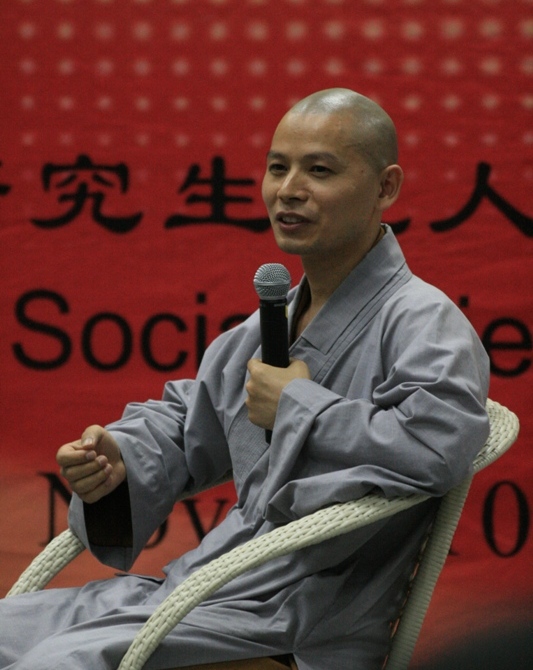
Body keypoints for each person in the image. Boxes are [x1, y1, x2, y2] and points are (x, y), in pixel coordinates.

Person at [0, 88, 490, 670]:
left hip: (300, 620)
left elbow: (439, 447)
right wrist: (117, 461)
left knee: (59, 663)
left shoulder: (424, 321)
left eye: (320, 170)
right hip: (209, 586)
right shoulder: (269, 325)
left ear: (386, 187)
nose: (289, 190)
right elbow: (188, 421)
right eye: (278, 168)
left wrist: (300, 406)